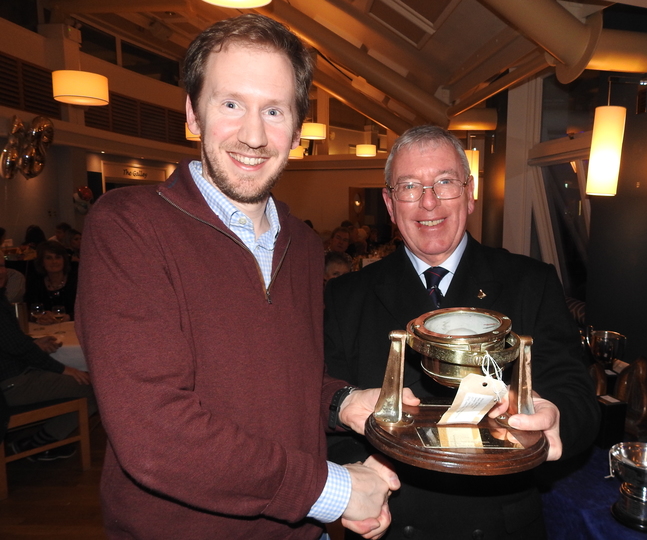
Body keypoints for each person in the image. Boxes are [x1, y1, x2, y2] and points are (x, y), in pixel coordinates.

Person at [76, 14, 417, 540]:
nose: (254, 136)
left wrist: (342, 402)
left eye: (274, 110)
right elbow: (156, 434)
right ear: (193, 113)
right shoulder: (129, 225)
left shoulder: (303, 244)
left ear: (298, 130)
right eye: (231, 104)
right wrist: (334, 490)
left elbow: (280, 381)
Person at [324, 125, 600, 539]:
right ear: (390, 204)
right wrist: (360, 472)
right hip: (391, 515)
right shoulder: (346, 295)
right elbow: (324, 402)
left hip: (498, 522)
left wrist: (556, 417)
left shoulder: (532, 281)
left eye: (445, 182)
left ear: (470, 194)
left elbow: (574, 391)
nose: (429, 201)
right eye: (409, 186)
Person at [0, 263, 96, 461]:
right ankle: (37, 443)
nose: (0, 271)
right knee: (94, 388)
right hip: (11, 384)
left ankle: (37, 439)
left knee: (84, 382)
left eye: (1, 265)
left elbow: (10, 341)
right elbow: (20, 349)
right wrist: (63, 369)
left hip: (13, 379)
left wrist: (33, 342)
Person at [24, 241, 77, 323]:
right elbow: (27, 311)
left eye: (58, 257)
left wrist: (68, 317)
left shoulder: (76, 281)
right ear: (41, 262)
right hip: (45, 327)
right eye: (48, 258)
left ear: (64, 260)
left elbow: (88, 310)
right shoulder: (35, 283)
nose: (54, 261)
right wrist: (40, 317)